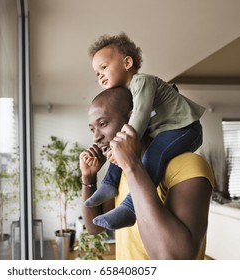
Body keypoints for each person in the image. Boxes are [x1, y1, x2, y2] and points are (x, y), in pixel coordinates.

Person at [84, 32, 206, 230]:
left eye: (104, 67)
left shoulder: (142, 82)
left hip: (184, 129)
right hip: (164, 131)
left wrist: (119, 148)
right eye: (97, 73)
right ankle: (109, 183)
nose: (100, 75)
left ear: (127, 62)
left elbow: (139, 117)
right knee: (122, 143)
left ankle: (130, 208)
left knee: (149, 152)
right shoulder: (128, 94)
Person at [80, 87, 214, 259]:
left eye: (103, 123)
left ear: (133, 118)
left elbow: (176, 260)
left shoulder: (188, 165)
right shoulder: (122, 170)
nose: (96, 137)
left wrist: (132, 166)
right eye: (93, 129)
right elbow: (95, 228)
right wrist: (88, 177)